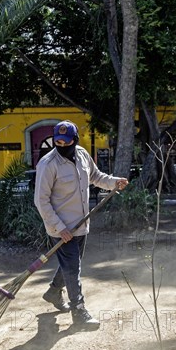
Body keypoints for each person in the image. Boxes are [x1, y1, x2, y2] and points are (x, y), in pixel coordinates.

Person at [34, 120, 128, 329]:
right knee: (73, 266)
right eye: (57, 141)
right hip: (61, 228)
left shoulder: (83, 155)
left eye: (66, 141)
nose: (62, 145)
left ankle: (53, 292)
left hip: (81, 223)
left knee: (71, 264)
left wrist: (114, 182)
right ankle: (79, 310)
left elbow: (96, 177)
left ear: (74, 140)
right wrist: (59, 228)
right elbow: (41, 200)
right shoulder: (48, 164)